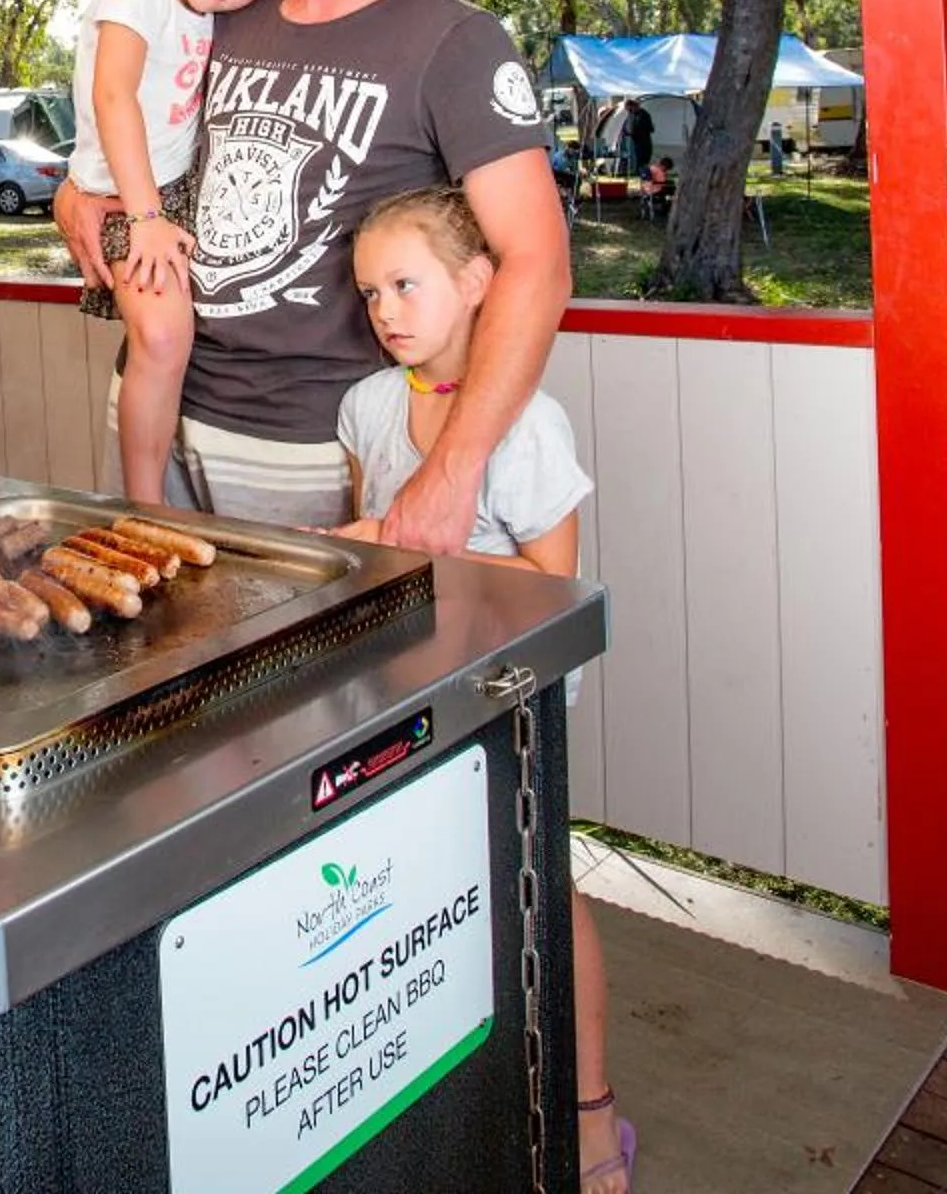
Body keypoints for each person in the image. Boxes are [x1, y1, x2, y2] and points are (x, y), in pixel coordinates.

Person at [55, 0, 569, 550]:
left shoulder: (455, 43)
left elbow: (539, 262)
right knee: (165, 660)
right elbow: (130, 101)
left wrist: (453, 469)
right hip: (160, 406)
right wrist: (74, 187)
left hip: (327, 445)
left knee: (309, 669)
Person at [336, 187, 629, 1190]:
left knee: (539, 879)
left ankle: (591, 1114)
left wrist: (365, 546)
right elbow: (371, 556)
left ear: (476, 284)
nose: (385, 308)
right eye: (370, 289)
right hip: (406, 698)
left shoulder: (527, 424)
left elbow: (551, 592)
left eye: (405, 283)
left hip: (510, 700)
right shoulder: (369, 405)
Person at [68, 0, 279, 502]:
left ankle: (153, 494)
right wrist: (144, 217)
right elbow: (113, 94)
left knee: (170, 340)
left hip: (177, 189)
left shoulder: (205, 7)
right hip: (128, 196)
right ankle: (146, 505)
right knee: (162, 336)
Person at [621, 97, 656, 180]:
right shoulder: (633, 115)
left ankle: (644, 177)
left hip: (644, 142)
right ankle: (641, 176)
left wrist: (631, 132)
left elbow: (648, 128)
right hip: (636, 142)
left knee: (642, 161)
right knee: (638, 161)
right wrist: (626, 132)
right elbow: (630, 127)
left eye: (629, 109)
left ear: (633, 106)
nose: (629, 111)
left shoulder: (643, 115)